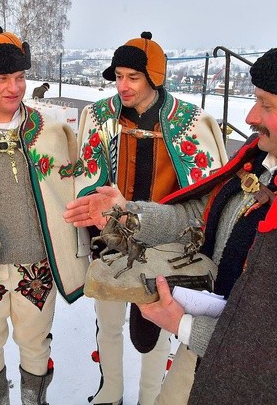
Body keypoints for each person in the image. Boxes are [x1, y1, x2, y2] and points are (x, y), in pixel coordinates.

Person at [65, 21, 277, 403]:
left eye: (266, 105)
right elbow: (199, 216)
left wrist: (183, 325)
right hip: (203, 349)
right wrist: (127, 215)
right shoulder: (265, 161)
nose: (250, 116)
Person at [73, 31, 227, 405]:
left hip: (164, 242)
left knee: (157, 324)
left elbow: (206, 191)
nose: (122, 85)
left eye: (133, 77)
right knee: (108, 320)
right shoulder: (98, 117)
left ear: (154, 78)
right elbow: (82, 175)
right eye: (119, 76)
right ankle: (110, 391)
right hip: (109, 240)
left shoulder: (190, 122)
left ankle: (149, 396)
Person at [0, 25, 88, 405]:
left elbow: (76, 187)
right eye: (1, 79)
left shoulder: (52, 132)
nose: (13, 88)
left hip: (36, 263)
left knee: (35, 342)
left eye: (19, 77)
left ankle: (34, 400)